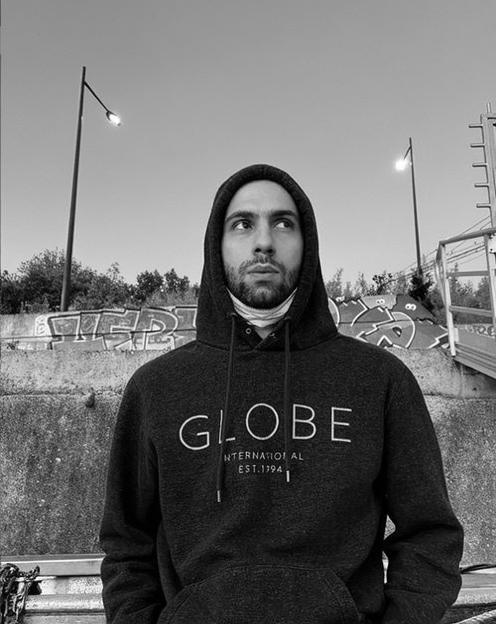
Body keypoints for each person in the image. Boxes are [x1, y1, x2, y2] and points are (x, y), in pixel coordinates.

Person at [100, 163, 463, 624]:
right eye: (243, 223)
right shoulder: (156, 388)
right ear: (217, 244)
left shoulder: (379, 380)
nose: (264, 241)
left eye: (283, 223)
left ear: (306, 243)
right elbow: (125, 542)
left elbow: (430, 533)